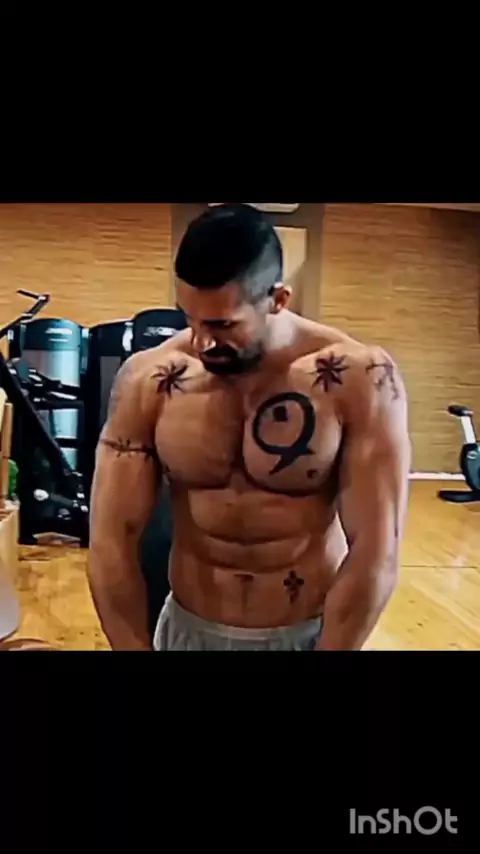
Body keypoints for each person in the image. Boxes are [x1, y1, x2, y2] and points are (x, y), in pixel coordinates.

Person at [88, 203, 411, 651]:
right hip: (189, 631)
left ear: (278, 300)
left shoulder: (357, 379)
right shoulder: (151, 379)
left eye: (222, 324)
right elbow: (110, 543)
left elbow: (377, 550)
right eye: (189, 318)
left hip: (307, 635)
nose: (202, 342)